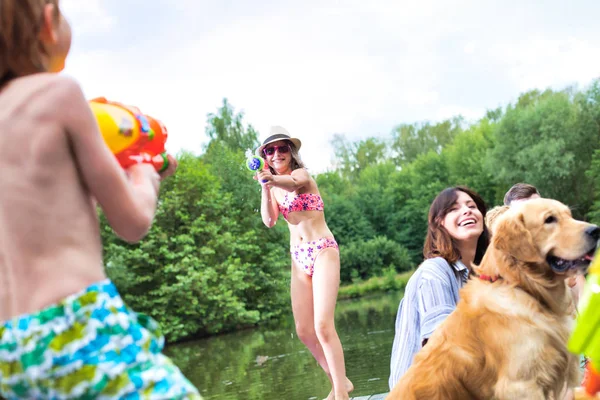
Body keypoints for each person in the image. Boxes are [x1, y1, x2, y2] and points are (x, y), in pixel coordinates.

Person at [0, 1, 201, 399]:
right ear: (47, 21)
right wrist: (144, 174)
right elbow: (131, 222)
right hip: (76, 322)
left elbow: (46, 218)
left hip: (10, 347)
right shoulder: (59, 93)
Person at [254, 127, 353, 400]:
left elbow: (293, 184)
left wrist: (273, 180)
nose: (277, 154)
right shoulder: (272, 187)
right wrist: (265, 186)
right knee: (304, 331)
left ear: (291, 152)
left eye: (282, 148)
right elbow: (269, 220)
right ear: (264, 156)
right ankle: (340, 382)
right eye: (270, 150)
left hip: (322, 250)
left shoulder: (301, 175)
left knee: (322, 325)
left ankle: (341, 396)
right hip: (298, 259)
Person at [388, 186, 489, 390]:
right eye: (454, 209)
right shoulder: (435, 270)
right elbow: (442, 347)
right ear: (439, 223)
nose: (467, 211)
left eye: (472, 206)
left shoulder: (474, 277)